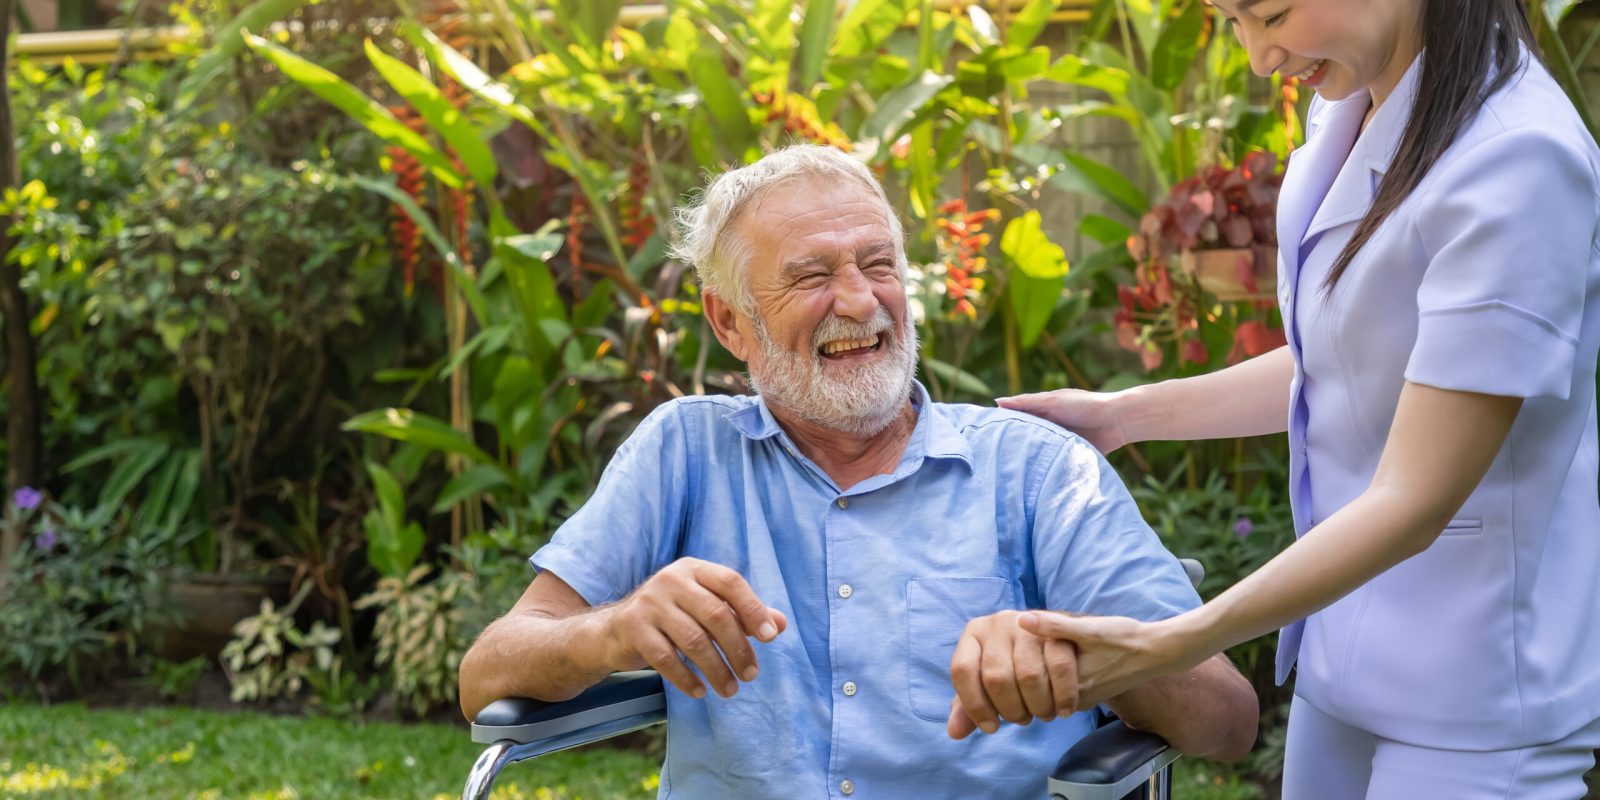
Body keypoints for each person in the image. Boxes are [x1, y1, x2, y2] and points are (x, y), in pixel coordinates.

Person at [457, 144, 1258, 798]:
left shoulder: (1037, 468)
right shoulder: (682, 452)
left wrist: (1094, 660)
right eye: (811, 276)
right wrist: (611, 630)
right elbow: (487, 671)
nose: (858, 301)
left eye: (877, 264)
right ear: (730, 321)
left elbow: (1227, 722)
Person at [998, 0, 1600, 796]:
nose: (1258, 57)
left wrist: (1171, 645)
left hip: (1475, 695)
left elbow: (1415, 498)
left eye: (1272, 14)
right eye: (1232, 20)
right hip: (1345, 661)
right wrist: (1122, 415)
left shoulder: (1518, 158)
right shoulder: (1357, 103)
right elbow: (1347, 360)